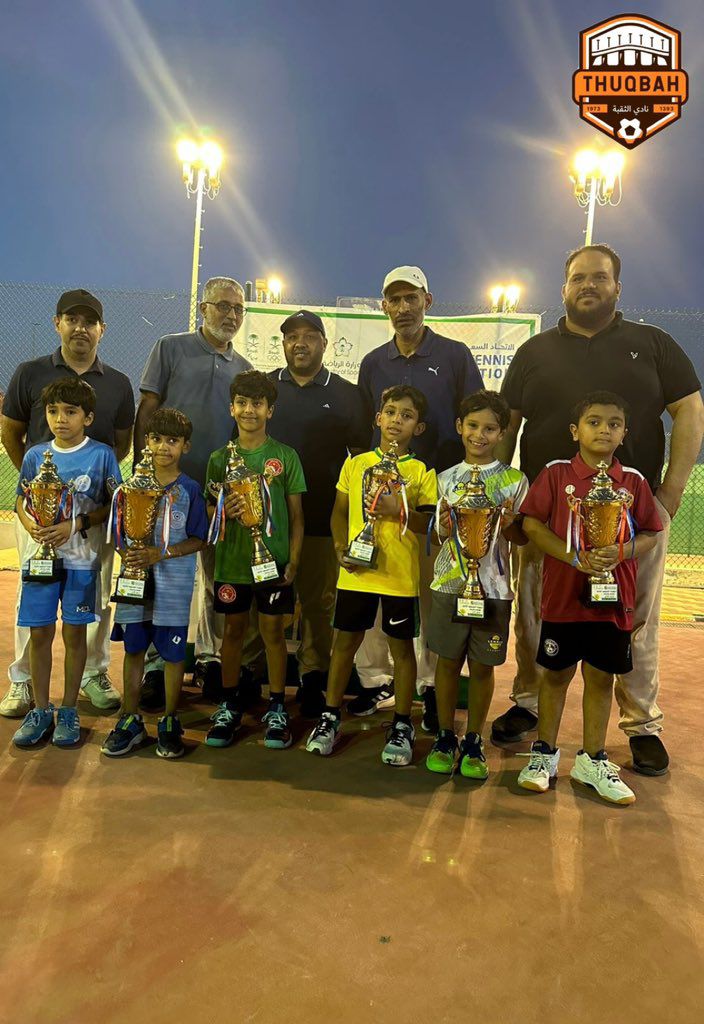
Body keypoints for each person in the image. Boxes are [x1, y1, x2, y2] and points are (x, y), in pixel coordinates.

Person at [492, 244, 704, 776]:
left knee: (635, 620)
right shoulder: (535, 351)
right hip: (548, 516)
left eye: (600, 277)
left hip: (631, 517)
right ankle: (529, 702)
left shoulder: (652, 343)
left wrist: (671, 492)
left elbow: (690, 409)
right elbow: (507, 423)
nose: (589, 285)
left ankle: (642, 724)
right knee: (535, 613)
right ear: (564, 287)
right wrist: (506, 496)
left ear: (617, 287)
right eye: (579, 278)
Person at [516, 392, 662, 804]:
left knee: (601, 678)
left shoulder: (633, 481)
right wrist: (572, 557)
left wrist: (622, 551)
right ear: (574, 431)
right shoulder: (556, 473)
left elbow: (651, 533)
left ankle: (592, 760)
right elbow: (531, 524)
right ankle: (544, 754)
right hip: (563, 599)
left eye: (614, 424)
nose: (604, 430)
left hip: (612, 601)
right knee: (555, 675)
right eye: (594, 422)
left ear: (624, 434)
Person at [355, 266, 483, 731]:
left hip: (438, 494)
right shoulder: (373, 362)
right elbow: (364, 428)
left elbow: (476, 416)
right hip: (383, 496)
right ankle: (375, 679)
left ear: (428, 301)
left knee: (433, 593)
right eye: (394, 299)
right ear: (384, 306)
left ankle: (429, 685)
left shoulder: (454, 355)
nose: (403, 307)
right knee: (378, 583)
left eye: (411, 298)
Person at [0, 288, 134, 719]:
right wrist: (44, 495)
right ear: (57, 323)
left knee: (96, 595)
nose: (80, 328)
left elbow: (121, 444)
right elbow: (11, 430)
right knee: (32, 590)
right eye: (71, 319)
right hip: (40, 517)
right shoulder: (30, 372)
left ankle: (94, 672)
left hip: (91, 515)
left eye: (89, 321)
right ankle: (22, 680)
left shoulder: (118, 383)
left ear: (101, 329)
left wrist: (79, 504)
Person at [134, 277, 253, 707]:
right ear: (204, 308)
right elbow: (148, 409)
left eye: (238, 309)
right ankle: (154, 665)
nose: (231, 315)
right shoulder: (170, 347)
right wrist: (144, 475)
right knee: (162, 574)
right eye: (223, 306)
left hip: (216, 493)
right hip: (167, 487)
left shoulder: (243, 367)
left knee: (216, 580)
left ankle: (208, 659)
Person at [305, 385, 437, 766]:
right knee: (345, 643)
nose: (397, 420)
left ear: (419, 427)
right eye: (391, 412)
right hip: (356, 573)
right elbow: (339, 511)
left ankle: (402, 723)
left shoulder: (420, 472)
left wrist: (399, 511)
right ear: (378, 418)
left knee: (401, 649)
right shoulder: (356, 464)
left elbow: (430, 525)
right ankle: (330, 716)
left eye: (407, 416)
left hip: (399, 577)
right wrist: (338, 548)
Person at [262, 309, 370, 717]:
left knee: (318, 603)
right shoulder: (266, 388)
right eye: (292, 336)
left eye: (309, 336)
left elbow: (361, 458)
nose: (300, 343)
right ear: (283, 343)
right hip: (267, 523)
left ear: (325, 343)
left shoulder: (346, 393)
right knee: (264, 602)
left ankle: (312, 675)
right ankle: (253, 673)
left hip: (323, 516)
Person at [11, 378, 120, 748]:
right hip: (40, 561)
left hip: (81, 561)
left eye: (70, 412)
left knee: (75, 636)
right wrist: (32, 526)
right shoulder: (34, 456)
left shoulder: (102, 455)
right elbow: (21, 500)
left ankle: (69, 709)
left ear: (87, 418)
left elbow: (114, 506)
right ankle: (41, 709)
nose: (60, 419)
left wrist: (76, 524)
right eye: (53, 411)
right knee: (40, 634)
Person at [424, 391, 528, 778]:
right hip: (450, 586)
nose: (479, 435)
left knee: (483, 667)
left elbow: (521, 538)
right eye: (472, 426)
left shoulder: (515, 481)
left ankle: (472, 740)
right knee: (448, 663)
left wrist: (511, 523)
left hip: (494, 589)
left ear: (502, 433)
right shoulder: (444, 479)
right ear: (459, 427)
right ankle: (444, 736)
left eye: (489, 428)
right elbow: (438, 537)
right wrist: (443, 528)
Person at [204, 371, 305, 750]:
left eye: (257, 404)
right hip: (232, 564)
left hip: (273, 563)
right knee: (232, 632)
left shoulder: (285, 456)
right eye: (242, 403)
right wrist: (222, 510)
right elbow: (210, 511)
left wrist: (293, 561)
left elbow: (297, 516)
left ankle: (277, 706)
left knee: (273, 633)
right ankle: (229, 704)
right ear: (232, 408)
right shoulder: (219, 459)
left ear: (270, 410)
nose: (249, 410)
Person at [101, 408, 208, 760]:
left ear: (185, 446)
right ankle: (130, 719)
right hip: (134, 586)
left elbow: (199, 538)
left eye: (172, 441)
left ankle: (169, 720)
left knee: (173, 654)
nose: (164, 447)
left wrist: (160, 553)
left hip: (174, 589)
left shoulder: (189, 490)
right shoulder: (130, 488)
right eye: (157, 439)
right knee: (134, 650)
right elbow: (118, 534)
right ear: (146, 442)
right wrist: (131, 555)